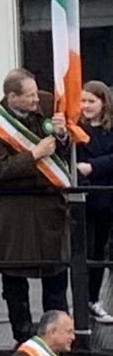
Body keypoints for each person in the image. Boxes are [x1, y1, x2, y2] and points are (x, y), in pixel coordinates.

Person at [0, 68, 70, 344]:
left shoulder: (48, 104)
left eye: (35, 92)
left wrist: (63, 136)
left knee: (56, 277)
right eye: (29, 95)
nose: (36, 99)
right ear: (12, 97)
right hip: (14, 211)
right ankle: (22, 337)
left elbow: (65, 152)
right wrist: (33, 155)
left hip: (48, 206)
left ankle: (58, 336)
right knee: (14, 280)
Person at [76, 80, 113, 323]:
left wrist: (93, 166)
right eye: (83, 101)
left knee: (100, 251)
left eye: (91, 101)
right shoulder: (77, 130)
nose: (86, 106)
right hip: (85, 199)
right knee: (85, 252)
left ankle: (94, 299)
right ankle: (82, 302)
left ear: (103, 103)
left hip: (107, 197)